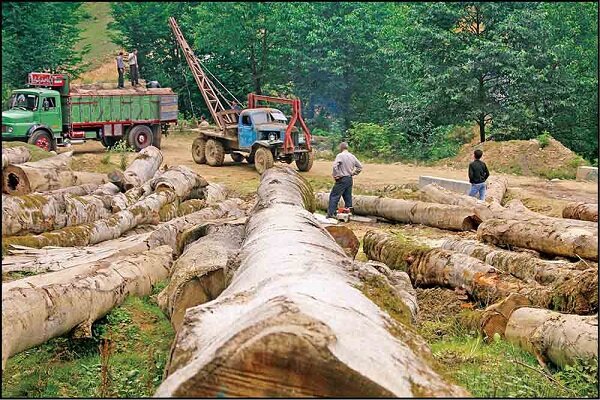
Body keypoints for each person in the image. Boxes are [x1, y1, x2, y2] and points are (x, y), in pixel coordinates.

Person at [326, 142, 363, 220]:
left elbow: (335, 166)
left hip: (342, 179)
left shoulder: (340, 155)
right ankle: (349, 214)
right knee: (348, 197)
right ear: (347, 148)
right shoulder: (352, 156)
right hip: (349, 179)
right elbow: (360, 167)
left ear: (341, 148)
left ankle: (331, 214)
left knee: (334, 196)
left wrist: (336, 175)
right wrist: (353, 173)